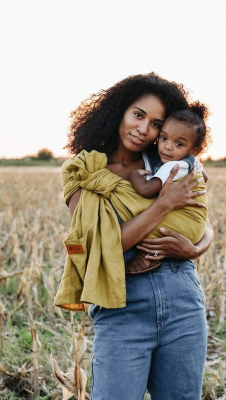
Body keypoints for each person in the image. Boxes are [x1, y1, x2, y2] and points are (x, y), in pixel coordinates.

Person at [62, 73, 214, 400]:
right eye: (138, 115)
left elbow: (201, 217)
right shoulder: (84, 171)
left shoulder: (169, 161)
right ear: (119, 110)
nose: (145, 129)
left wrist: (195, 249)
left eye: (157, 123)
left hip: (182, 298)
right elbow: (100, 246)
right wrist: (161, 207)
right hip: (122, 305)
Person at [126, 103, 210, 274]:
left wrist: (134, 175)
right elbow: (205, 177)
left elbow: (146, 190)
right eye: (164, 138)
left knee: (141, 219)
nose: (168, 147)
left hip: (184, 228)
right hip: (195, 228)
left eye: (179, 144)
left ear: (193, 150)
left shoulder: (172, 167)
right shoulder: (191, 162)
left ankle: (147, 257)